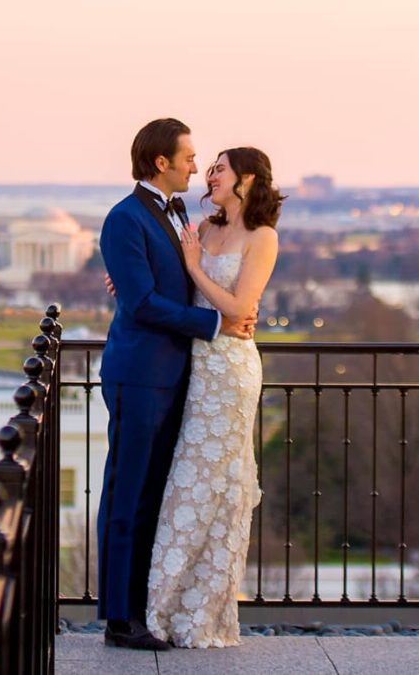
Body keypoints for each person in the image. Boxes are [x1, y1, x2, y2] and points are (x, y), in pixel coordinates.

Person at [94, 119, 256, 651]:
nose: (196, 166)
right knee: (128, 493)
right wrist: (215, 325)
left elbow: (173, 279)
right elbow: (140, 303)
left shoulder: (180, 211)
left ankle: (144, 607)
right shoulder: (124, 219)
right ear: (161, 162)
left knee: (154, 497)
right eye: (189, 157)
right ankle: (120, 618)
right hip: (139, 376)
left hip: (177, 375)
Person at [144, 146, 281, 648]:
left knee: (218, 486)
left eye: (219, 168)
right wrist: (130, 283)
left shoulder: (262, 237)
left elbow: (239, 308)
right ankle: (167, 603)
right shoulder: (204, 229)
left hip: (230, 370)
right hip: (195, 363)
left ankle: (203, 612)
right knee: (186, 482)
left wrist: (198, 269)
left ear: (246, 179)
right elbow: (178, 287)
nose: (209, 174)